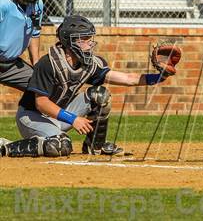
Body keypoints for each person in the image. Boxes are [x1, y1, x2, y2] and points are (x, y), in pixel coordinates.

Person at [0, 15, 178, 157]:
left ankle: (95, 146)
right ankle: (7, 147)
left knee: (100, 95)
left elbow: (128, 78)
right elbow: (42, 104)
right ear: (69, 41)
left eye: (89, 39)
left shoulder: (90, 63)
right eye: (83, 39)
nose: (89, 44)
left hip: (60, 115)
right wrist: (73, 119)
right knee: (61, 145)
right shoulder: (49, 63)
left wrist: (159, 77)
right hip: (32, 117)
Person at [0, 0, 44, 91]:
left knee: (43, 89)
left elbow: (35, 33)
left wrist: (36, 63)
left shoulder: (37, 4)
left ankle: (26, 112)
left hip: (11, 64)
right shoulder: (2, 3)